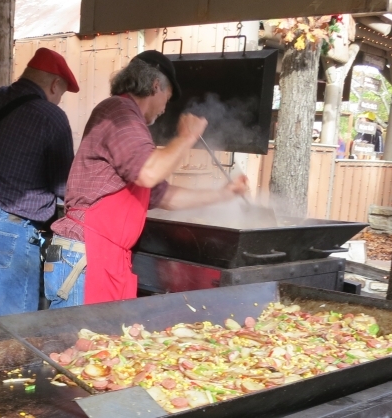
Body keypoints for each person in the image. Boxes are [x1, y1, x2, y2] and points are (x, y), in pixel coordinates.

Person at [45, 51, 248, 308]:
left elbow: (164, 195)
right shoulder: (120, 114)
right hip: (88, 255)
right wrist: (186, 137)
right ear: (155, 86)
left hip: (102, 256)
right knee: (76, 345)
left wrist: (224, 193)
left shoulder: (128, 120)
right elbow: (149, 173)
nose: (165, 108)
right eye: (168, 97)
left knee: (101, 346)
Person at [0, 48, 78, 319]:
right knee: (14, 330)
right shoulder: (49, 116)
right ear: (54, 84)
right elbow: (64, 187)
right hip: (10, 232)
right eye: (61, 95)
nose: (58, 102)